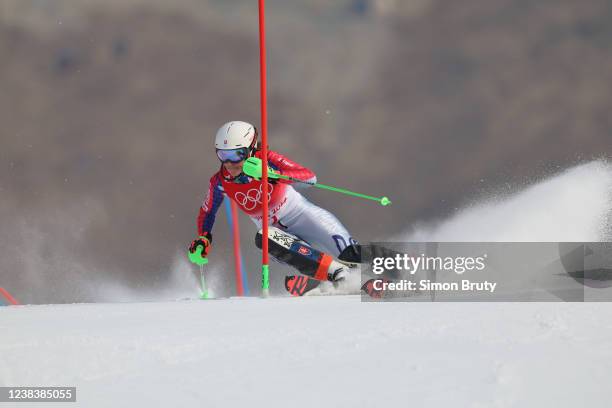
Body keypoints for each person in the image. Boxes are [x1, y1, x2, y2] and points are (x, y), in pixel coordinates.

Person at [188, 120, 358, 282]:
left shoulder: (267, 159)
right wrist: (204, 237)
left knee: (351, 253)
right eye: (223, 155)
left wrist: (271, 173)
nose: (230, 163)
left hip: (300, 214)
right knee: (264, 236)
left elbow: (309, 177)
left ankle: (373, 269)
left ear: (251, 149)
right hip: (274, 235)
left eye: (237, 154)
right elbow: (207, 211)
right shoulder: (220, 182)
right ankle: (334, 274)